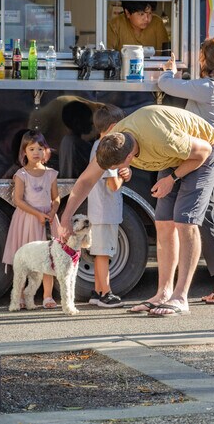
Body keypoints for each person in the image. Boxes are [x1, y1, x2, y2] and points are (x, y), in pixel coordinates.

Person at [59, 104, 214, 317]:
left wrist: (171, 179)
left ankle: (180, 297)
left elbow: (204, 152)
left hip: (204, 152)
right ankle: (163, 293)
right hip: (175, 155)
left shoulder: (163, 140)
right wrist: (65, 218)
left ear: (129, 159)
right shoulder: (113, 141)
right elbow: (85, 181)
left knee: (185, 221)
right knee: (163, 222)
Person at [157, 37, 214, 305]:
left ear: (204, 59)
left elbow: (166, 84)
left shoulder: (207, 87)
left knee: (206, 218)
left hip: (210, 157)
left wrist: (169, 71)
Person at [2, 130, 61, 309]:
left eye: (40, 148)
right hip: (27, 220)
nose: (36, 152)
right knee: (26, 260)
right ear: (24, 152)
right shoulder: (22, 174)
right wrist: (36, 214)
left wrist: (53, 211)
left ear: (46, 151)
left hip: (47, 220)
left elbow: (56, 198)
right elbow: (18, 200)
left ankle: (48, 296)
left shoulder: (50, 174)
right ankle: (20, 295)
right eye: (32, 149)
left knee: (49, 258)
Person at [87, 104, 131, 308]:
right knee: (104, 253)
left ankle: (97, 291)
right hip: (105, 210)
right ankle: (106, 293)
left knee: (99, 252)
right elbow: (113, 184)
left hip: (99, 209)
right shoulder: (109, 149)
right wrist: (125, 173)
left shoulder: (97, 145)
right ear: (114, 126)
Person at [59, 100, 93, 178]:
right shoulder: (78, 144)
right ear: (77, 122)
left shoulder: (66, 140)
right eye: (88, 119)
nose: (92, 123)